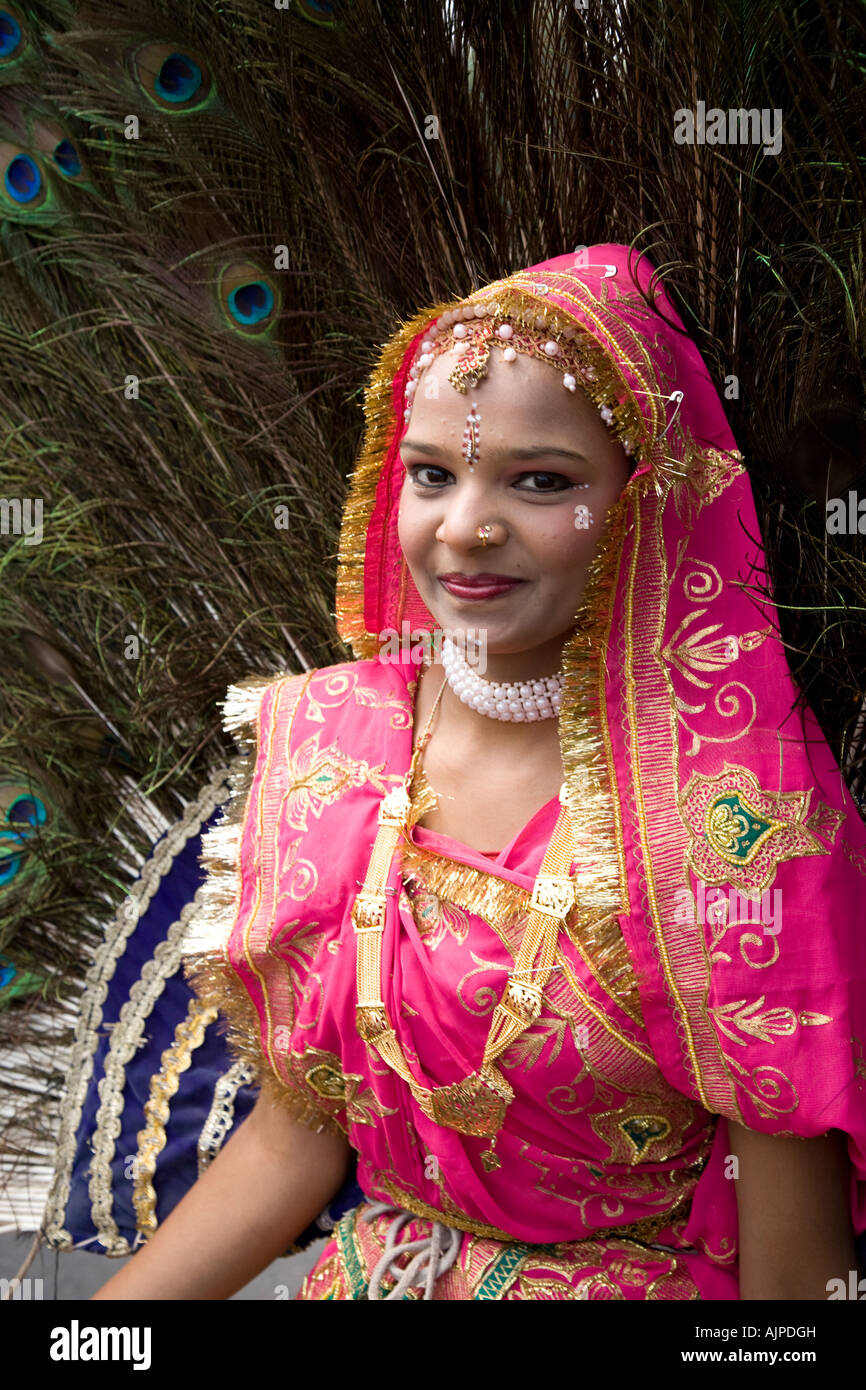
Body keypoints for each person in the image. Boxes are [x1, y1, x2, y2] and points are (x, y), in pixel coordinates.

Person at [93, 245, 866, 1301]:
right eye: (430, 475)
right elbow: (291, 1147)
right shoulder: (336, 743)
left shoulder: (739, 822)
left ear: (643, 499)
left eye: (538, 481)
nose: (464, 529)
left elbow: (793, 1283)